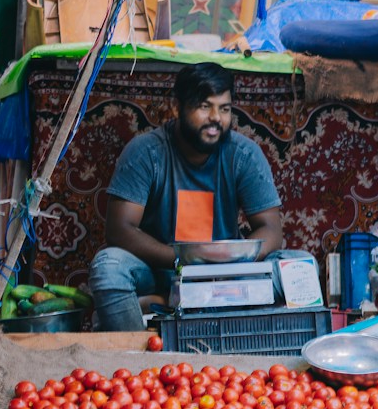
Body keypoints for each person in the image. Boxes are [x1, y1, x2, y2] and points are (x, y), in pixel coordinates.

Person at [92, 61, 289, 331]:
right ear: (177, 108)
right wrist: (180, 260)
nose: (216, 118)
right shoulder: (146, 152)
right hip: (160, 269)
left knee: (298, 269)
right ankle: (137, 358)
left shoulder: (244, 155)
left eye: (225, 109)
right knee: (108, 267)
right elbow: (119, 229)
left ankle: (168, 306)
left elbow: (270, 229)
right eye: (204, 106)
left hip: (224, 276)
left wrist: (229, 263)